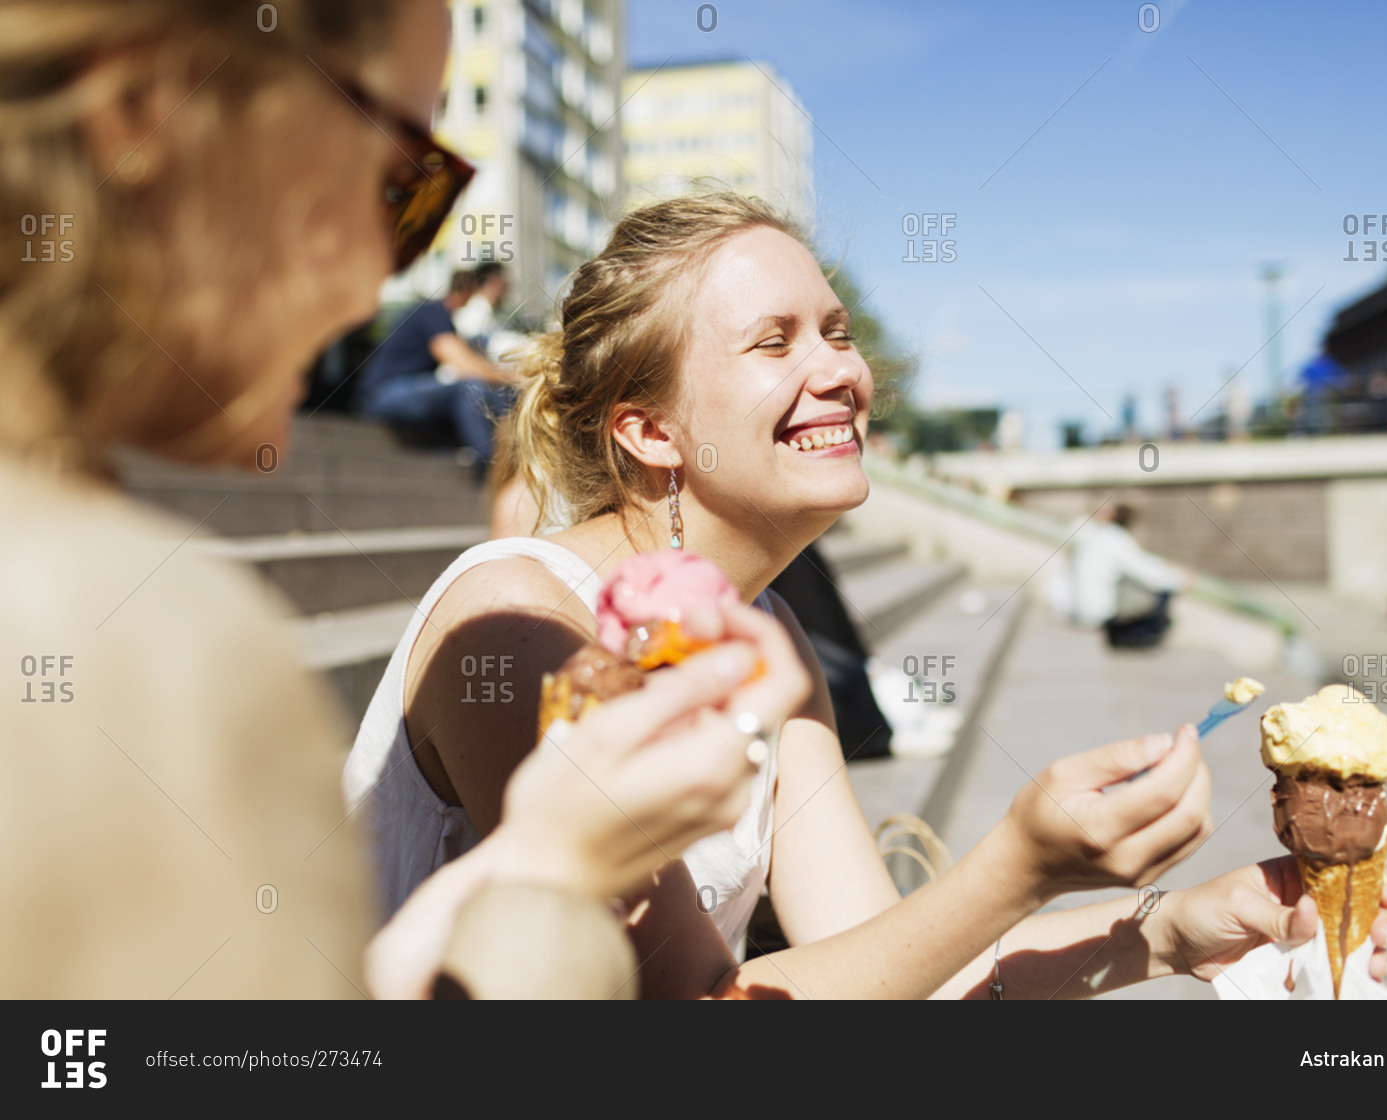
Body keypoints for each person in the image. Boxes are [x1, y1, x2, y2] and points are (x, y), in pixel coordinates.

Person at [348, 193, 1387, 998]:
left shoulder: (771, 633)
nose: (841, 372)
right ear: (651, 430)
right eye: (775, 341)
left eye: (837, 331)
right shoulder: (519, 626)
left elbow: (895, 963)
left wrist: (1176, 925)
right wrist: (1021, 863)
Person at [0, 0, 807, 1000]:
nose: (386, 270)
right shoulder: (119, 625)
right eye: (400, 184)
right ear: (144, 115)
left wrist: (549, 853)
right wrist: (553, 879)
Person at [357, 268, 521, 466]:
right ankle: (491, 464)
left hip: (401, 390)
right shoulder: (433, 313)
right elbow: (463, 364)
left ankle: (506, 456)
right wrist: (515, 378)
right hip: (382, 394)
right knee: (470, 387)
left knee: (487, 391)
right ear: (468, 291)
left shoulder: (440, 317)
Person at [1056, 501, 1188, 649]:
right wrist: (1180, 578)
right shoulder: (1115, 538)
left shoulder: (1087, 535)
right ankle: (1139, 637)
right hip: (1099, 612)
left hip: (1074, 609)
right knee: (1164, 590)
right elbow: (1148, 573)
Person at [452, 261, 530, 362]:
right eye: (503, 279)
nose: (508, 285)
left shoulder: (499, 311)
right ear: (493, 282)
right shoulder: (471, 315)